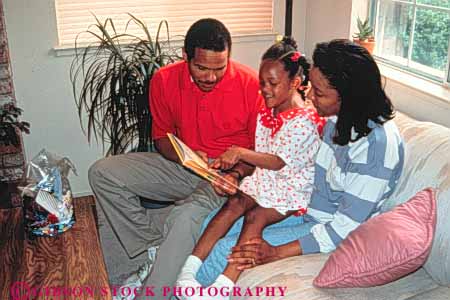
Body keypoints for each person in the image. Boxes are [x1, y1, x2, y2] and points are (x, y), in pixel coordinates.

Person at [188, 39, 405, 298]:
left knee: (225, 252)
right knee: (205, 226)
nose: (310, 96)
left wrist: (276, 252)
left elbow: (343, 229)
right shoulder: (338, 118)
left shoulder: (376, 149)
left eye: (319, 93)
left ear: (349, 95)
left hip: (327, 230)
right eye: (312, 87)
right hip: (305, 208)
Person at [88, 18, 262, 299]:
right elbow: (162, 138)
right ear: (185, 56)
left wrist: (235, 174)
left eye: (220, 68)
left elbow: (259, 153)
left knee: (185, 215)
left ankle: (153, 292)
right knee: (103, 173)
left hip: (227, 177)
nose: (211, 77)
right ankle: (154, 249)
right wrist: (187, 157)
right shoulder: (164, 79)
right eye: (202, 68)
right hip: (186, 165)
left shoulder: (250, 84)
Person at [175, 37, 326, 296]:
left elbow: (277, 162)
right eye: (262, 82)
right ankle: (188, 272)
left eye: (273, 84)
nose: (265, 89)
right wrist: (232, 164)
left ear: (295, 83)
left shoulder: (304, 122)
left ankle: (224, 283)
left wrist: (239, 153)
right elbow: (262, 160)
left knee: (255, 217)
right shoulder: (268, 113)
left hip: (290, 192)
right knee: (233, 204)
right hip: (265, 182)